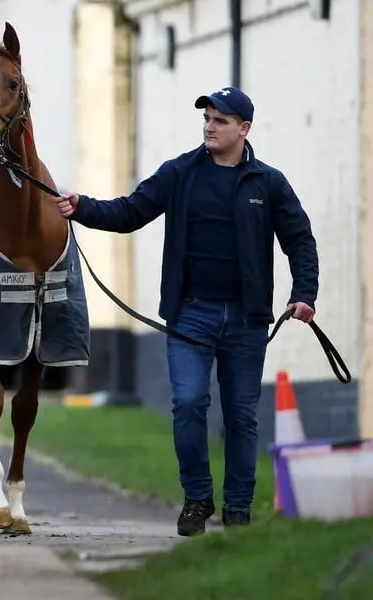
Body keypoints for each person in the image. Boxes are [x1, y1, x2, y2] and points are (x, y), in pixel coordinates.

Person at [55, 87, 318, 536]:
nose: (210, 127)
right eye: (207, 119)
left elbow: (299, 240)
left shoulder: (268, 183)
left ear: (244, 129)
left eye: (220, 121)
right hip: (190, 314)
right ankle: (197, 498)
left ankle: (238, 510)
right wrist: (82, 208)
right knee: (189, 403)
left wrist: (304, 293)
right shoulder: (179, 173)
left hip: (247, 319)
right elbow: (131, 211)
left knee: (241, 415)